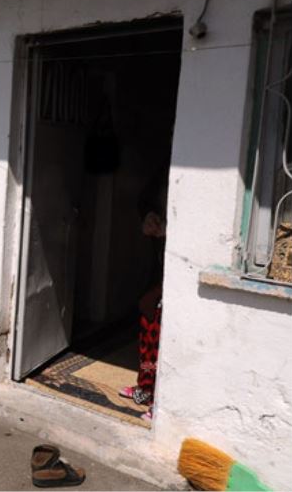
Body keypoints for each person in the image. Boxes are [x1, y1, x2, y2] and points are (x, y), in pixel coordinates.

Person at [119, 167, 168, 422]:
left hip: (170, 284)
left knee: (161, 347)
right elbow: (145, 199)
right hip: (157, 278)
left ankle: (156, 403)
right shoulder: (155, 190)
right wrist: (150, 217)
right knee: (148, 344)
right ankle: (144, 390)